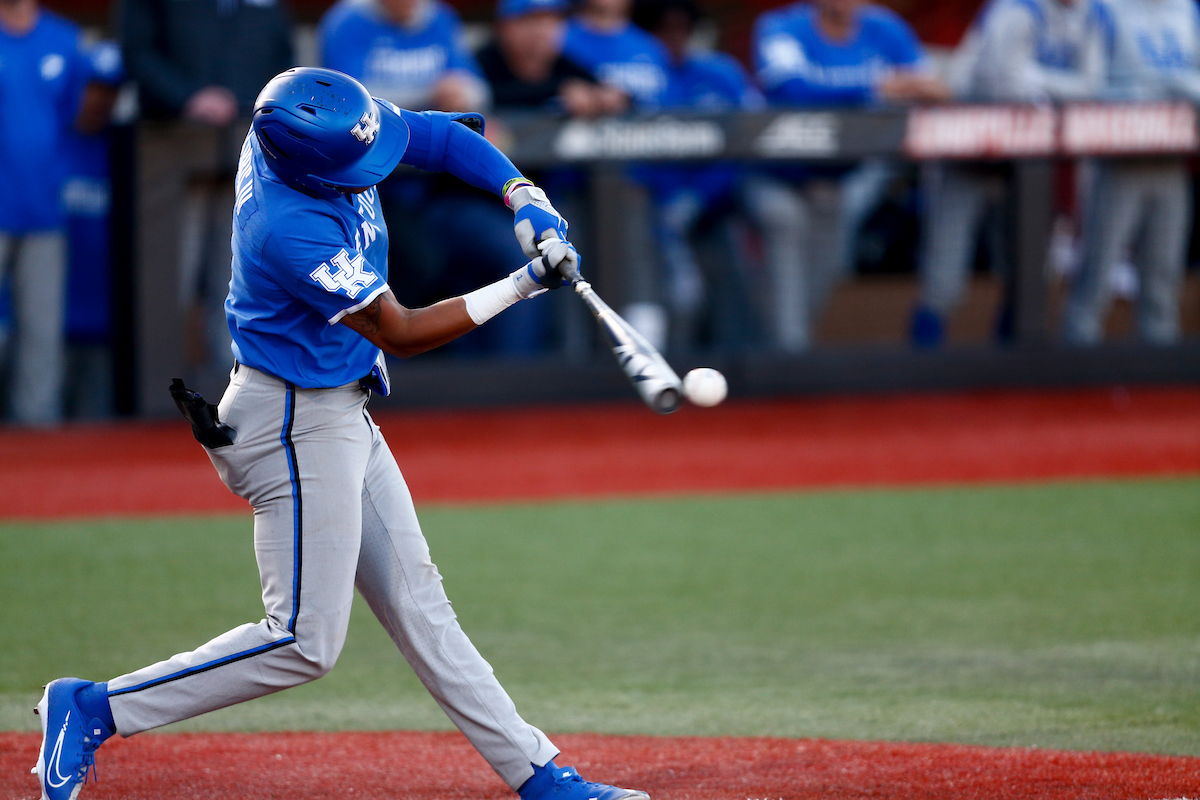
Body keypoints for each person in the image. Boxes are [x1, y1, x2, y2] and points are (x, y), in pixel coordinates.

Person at [32, 67, 650, 800]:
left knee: (421, 605)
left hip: (334, 407)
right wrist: (522, 283)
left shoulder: (312, 116)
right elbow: (403, 330)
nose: (370, 171)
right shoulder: (288, 227)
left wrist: (525, 196)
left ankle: (542, 777)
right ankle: (93, 707)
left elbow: (442, 137)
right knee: (302, 641)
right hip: (291, 423)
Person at [117, 0, 295, 404]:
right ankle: (163, 396)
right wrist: (188, 98)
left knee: (238, 277)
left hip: (250, 151)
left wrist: (263, 107)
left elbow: (284, 59)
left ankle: (234, 393)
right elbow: (136, 52)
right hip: (168, 152)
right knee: (169, 280)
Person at [751, 0, 948, 351]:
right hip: (776, 174)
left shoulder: (885, 28)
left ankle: (779, 350)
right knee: (786, 228)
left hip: (841, 177)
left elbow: (928, 85)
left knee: (829, 268)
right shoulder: (781, 27)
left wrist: (921, 87)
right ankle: (786, 366)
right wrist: (875, 89)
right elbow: (790, 92)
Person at [912, 0, 1104, 347]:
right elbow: (1005, 87)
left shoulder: (1089, 14)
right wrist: (1055, 88)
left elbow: (1092, 87)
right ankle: (921, 370)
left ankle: (1012, 372)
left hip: (1025, 160)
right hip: (968, 148)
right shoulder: (1017, 9)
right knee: (945, 275)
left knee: (1026, 274)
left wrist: (1038, 81)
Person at [1061, 0, 1200, 345]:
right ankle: (1077, 367)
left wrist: (1183, 89)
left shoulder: (1186, 8)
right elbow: (1084, 85)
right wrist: (1136, 98)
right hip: (1118, 158)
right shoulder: (1102, 9)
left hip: (1172, 157)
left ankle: (1160, 374)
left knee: (1162, 278)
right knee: (1097, 274)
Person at [631, 0, 766, 350]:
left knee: (731, 276)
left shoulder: (721, 72)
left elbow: (749, 139)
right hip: (651, 207)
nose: (674, 38)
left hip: (715, 205)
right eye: (663, 30)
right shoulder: (639, 78)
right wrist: (665, 203)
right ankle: (667, 363)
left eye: (682, 29)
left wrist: (699, 197)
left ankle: (740, 362)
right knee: (669, 295)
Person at [0, 0, 100, 424]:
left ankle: (40, 436)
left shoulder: (65, 39)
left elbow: (76, 117)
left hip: (44, 207)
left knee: (43, 332)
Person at [478, 0, 625, 116]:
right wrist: (559, 91)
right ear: (504, 27)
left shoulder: (563, 62)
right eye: (531, 20)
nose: (542, 31)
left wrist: (605, 97)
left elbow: (598, 86)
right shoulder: (482, 62)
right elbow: (489, 94)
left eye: (552, 21)